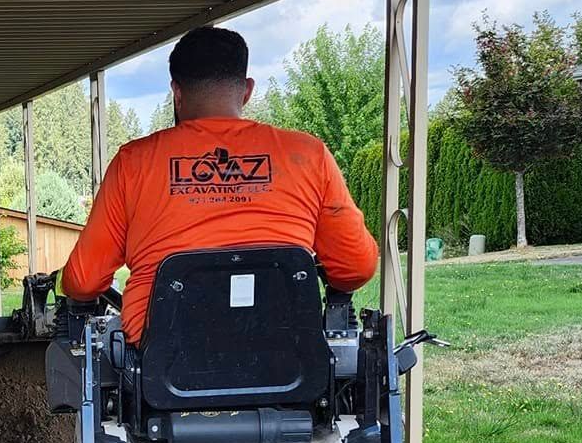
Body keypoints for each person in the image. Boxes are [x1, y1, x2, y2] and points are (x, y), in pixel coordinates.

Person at [60, 25, 379, 340]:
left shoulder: (134, 162)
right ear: (247, 90)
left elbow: (83, 280)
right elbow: (355, 267)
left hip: (165, 375)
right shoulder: (308, 155)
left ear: (177, 92)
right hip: (288, 366)